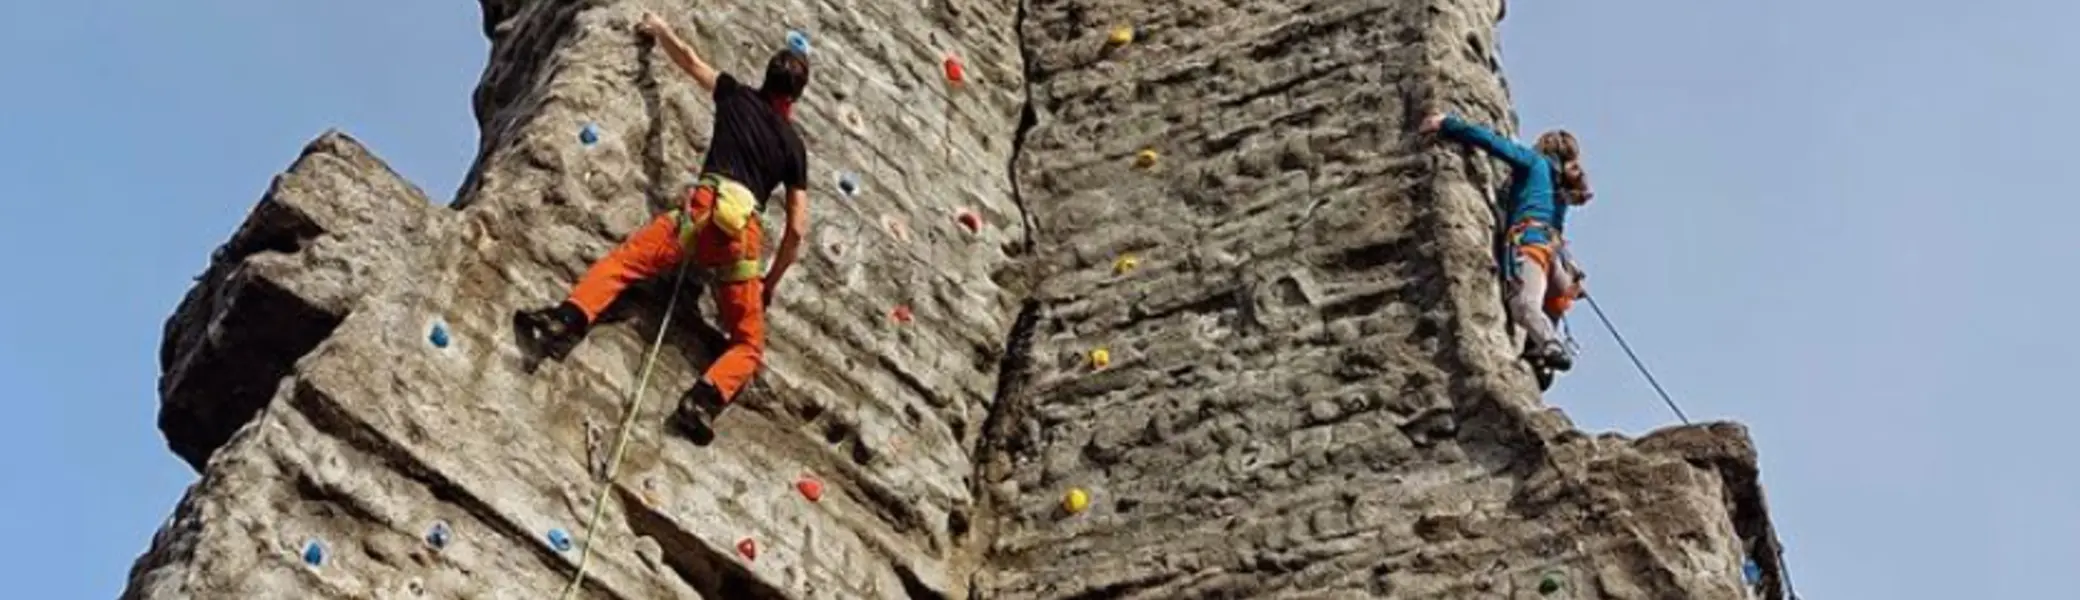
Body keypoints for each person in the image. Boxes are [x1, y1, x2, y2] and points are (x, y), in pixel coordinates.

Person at [515, 11, 812, 445]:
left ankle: (564, 322)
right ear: (793, 100)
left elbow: (691, 61)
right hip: (740, 242)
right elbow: (798, 228)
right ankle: (702, 402)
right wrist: (770, 281)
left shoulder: (735, 95)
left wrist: (659, 29)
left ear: (766, 79)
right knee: (748, 345)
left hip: (702, 213)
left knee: (624, 264)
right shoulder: (794, 146)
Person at [1418, 110, 1592, 373]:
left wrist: (1447, 124)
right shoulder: (1560, 189)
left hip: (1530, 245)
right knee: (1556, 298)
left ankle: (1548, 344)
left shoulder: (1535, 162)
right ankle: (1537, 353)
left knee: (1523, 305)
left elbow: (1492, 143)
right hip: (1555, 260)